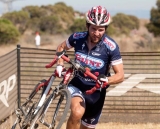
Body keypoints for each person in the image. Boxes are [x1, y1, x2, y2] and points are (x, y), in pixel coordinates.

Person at [56, 5, 124, 129]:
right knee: (77, 113)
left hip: (96, 93)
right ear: (87, 26)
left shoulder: (111, 46)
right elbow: (61, 48)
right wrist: (60, 64)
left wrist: (107, 80)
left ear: (105, 29)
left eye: (101, 30)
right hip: (77, 84)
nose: (96, 33)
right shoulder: (77, 38)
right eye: (93, 29)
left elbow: (120, 75)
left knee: (86, 126)